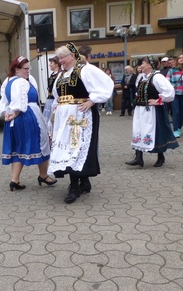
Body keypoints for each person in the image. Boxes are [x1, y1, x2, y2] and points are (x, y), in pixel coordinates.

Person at [49, 43, 113, 204]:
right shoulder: (61, 75)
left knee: (75, 148)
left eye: (62, 58)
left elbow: (106, 85)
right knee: (68, 148)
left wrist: (92, 101)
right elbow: (57, 96)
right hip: (65, 117)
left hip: (80, 115)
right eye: (59, 58)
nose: (60, 61)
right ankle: (84, 182)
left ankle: (74, 186)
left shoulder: (84, 70)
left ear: (72, 56)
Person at [0, 56, 57, 191]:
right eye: (25, 68)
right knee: (42, 143)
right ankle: (43, 175)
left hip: (15, 119)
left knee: (18, 148)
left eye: (29, 68)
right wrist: (16, 112)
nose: (28, 71)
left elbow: (4, 101)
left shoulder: (8, 81)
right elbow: (19, 101)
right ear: (17, 69)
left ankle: (14, 180)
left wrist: (6, 113)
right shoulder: (21, 82)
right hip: (27, 116)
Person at [125, 55, 178, 168]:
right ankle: (138, 157)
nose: (141, 65)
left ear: (150, 65)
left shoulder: (157, 77)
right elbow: (138, 92)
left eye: (143, 63)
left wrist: (158, 100)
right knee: (139, 131)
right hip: (140, 109)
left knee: (155, 131)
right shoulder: (141, 77)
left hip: (152, 110)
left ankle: (160, 156)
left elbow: (170, 92)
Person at [166, 53, 183, 138]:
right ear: (177, 60)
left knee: (182, 112)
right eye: (179, 58)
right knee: (176, 112)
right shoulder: (172, 70)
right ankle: (175, 129)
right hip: (175, 94)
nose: (181, 59)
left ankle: (179, 128)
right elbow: (167, 82)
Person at [43, 56, 61, 123]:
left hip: (55, 99)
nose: (49, 64)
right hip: (50, 99)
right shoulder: (52, 74)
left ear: (56, 64)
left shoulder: (60, 74)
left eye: (51, 63)